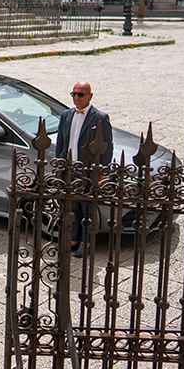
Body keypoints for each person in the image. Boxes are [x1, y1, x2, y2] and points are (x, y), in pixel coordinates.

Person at [55, 81, 114, 258]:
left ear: (90, 96)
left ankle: (86, 241)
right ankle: (73, 238)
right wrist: (59, 165)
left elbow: (106, 147)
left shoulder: (100, 118)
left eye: (81, 94)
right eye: (74, 94)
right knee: (71, 206)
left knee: (87, 208)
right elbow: (61, 143)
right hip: (69, 168)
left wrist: (102, 171)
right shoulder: (66, 115)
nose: (77, 98)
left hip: (87, 170)